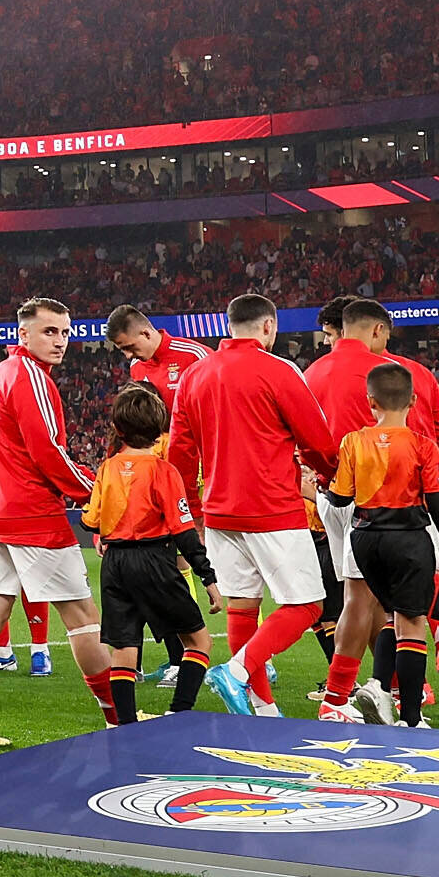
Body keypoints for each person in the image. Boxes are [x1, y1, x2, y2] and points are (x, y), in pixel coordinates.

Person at [0, 297, 113, 744]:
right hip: (31, 515)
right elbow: (48, 452)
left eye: (65, 332)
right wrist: (95, 492)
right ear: (22, 334)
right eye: (50, 332)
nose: (60, 341)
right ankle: (117, 717)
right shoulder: (30, 378)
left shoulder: (1, 375)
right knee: (82, 615)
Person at [179, 294, 341, 718]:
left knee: (243, 606)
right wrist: (332, 476)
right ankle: (236, 671)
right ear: (269, 326)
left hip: (218, 511)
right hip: (271, 506)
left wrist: (193, 510)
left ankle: (262, 706)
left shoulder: (195, 375)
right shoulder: (278, 369)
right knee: (308, 605)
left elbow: (179, 452)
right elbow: (316, 440)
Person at [317, 362, 439, 727]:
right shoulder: (423, 446)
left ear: (371, 402)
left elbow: (339, 499)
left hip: (365, 540)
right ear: (413, 400)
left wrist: (320, 489)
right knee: (412, 624)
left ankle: (378, 688)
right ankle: (411, 718)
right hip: (408, 538)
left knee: (387, 614)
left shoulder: (353, 441)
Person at [82, 385, 213, 721]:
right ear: (159, 431)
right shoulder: (163, 471)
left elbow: (91, 520)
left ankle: (126, 726)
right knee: (198, 641)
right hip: (154, 560)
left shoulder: (108, 468)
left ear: (118, 428)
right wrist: (208, 577)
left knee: (124, 649)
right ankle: (180, 713)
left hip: (114, 564)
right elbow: (183, 530)